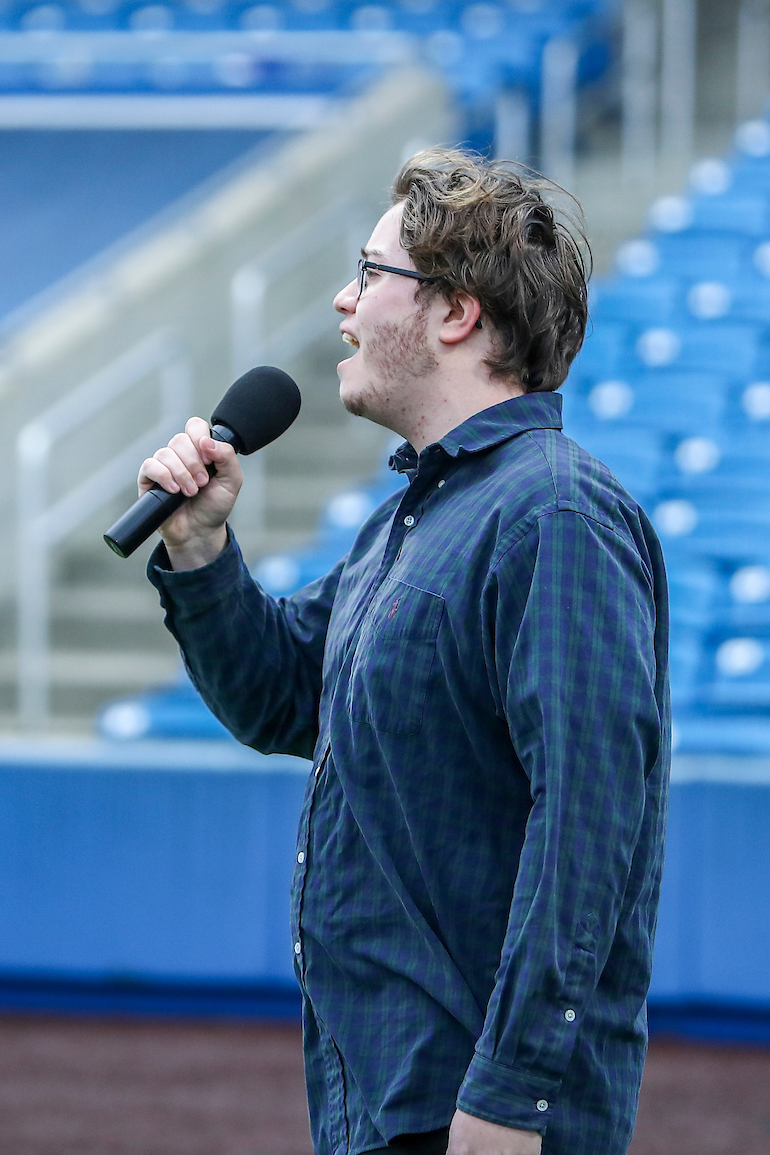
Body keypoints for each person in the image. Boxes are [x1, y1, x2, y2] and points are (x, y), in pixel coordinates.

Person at [141, 149, 671, 1155]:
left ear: (456, 312)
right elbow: (283, 697)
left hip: (479, 1115)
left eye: (368, 272)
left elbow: (587, 820)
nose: (343, 302)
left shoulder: (554, 513)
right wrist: (199, 546)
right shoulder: (410, 522)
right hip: (386, 1103)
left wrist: (510, 1093)